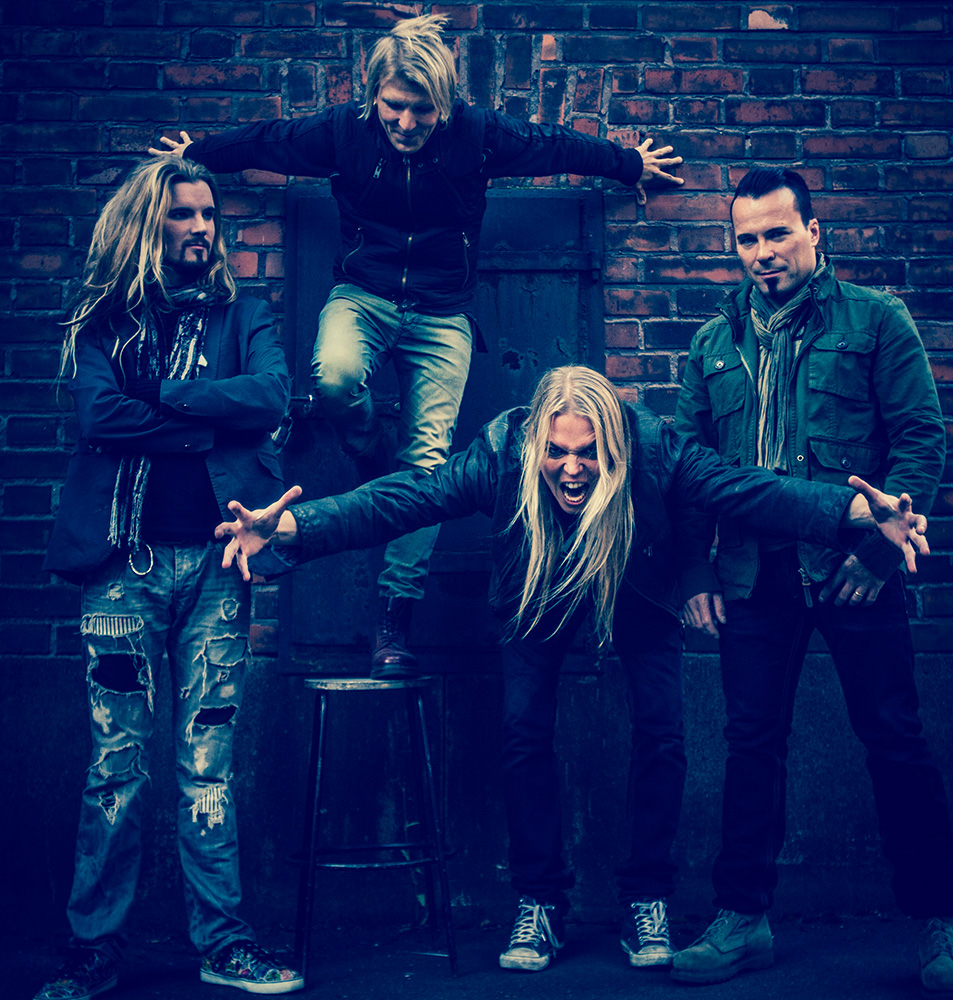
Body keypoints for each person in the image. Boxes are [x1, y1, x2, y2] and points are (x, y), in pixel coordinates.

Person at [211, 365, 929, 975]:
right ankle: (540, 901)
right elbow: (406, 499)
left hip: (636, 581)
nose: (572, 468)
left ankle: (646, 898)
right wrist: (293, 526)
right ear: (536, 444)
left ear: (614, 444)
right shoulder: (501, 450)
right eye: (556, 452)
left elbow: (749, 490)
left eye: (589, 453)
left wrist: (857, 513)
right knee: (524, 730)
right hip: (539, 586)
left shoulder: (655, 446)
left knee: (662, 731)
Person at [149, 14, 685, 680]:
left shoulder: (477, 136)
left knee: (427, 465)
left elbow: (553, 146)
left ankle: (393, 616)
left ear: (446, 104)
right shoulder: (343, 133)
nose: (406, 123)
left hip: (441, 312)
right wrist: (196, 155)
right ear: (374, 95)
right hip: (363, 294)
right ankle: (368, 445)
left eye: (422, 110)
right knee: (335, 377)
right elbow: (270, 142)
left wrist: (629, 164)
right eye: (394, 107)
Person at [670, 167, 953, 999]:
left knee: (895, 739)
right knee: (750, 744)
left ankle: (938, 922)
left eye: (777, 233)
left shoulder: (876, 321)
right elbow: (688, 465)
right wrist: (694, 567)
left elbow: (920, 439)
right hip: (752, 571)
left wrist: (880, 549)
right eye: (747, 239)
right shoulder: (712, 342)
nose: (762, 252)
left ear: (814, 232)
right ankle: (742, 919)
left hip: (853, 570)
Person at [36, 157, 303, 999]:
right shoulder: (103, 320)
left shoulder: (243, 313)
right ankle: (93, 949)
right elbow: (97, 414)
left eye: (208, 214)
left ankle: (224, 944)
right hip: (123, 569)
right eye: (182, 215)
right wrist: (209, 421)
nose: (201, 229)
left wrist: (166, 397)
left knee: (207, 763)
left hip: (220, 568)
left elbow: (271, 395)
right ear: (147, 224)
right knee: (117, 766)